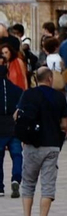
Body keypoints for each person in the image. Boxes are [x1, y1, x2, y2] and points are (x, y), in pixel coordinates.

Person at [14, 66, 67, 216]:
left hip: (31, 145)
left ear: (36, 79)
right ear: (50, 79)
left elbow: (17, 116)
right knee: (47, 187)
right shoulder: (59, 97)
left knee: (28, 184)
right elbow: (65, 125)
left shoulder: (28, 94)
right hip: (51, 146)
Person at [0, 54, 21, 198]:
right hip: (13, 125)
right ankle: (16, 178)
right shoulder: (17, 89)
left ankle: (0, 188)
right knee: (17, 154)